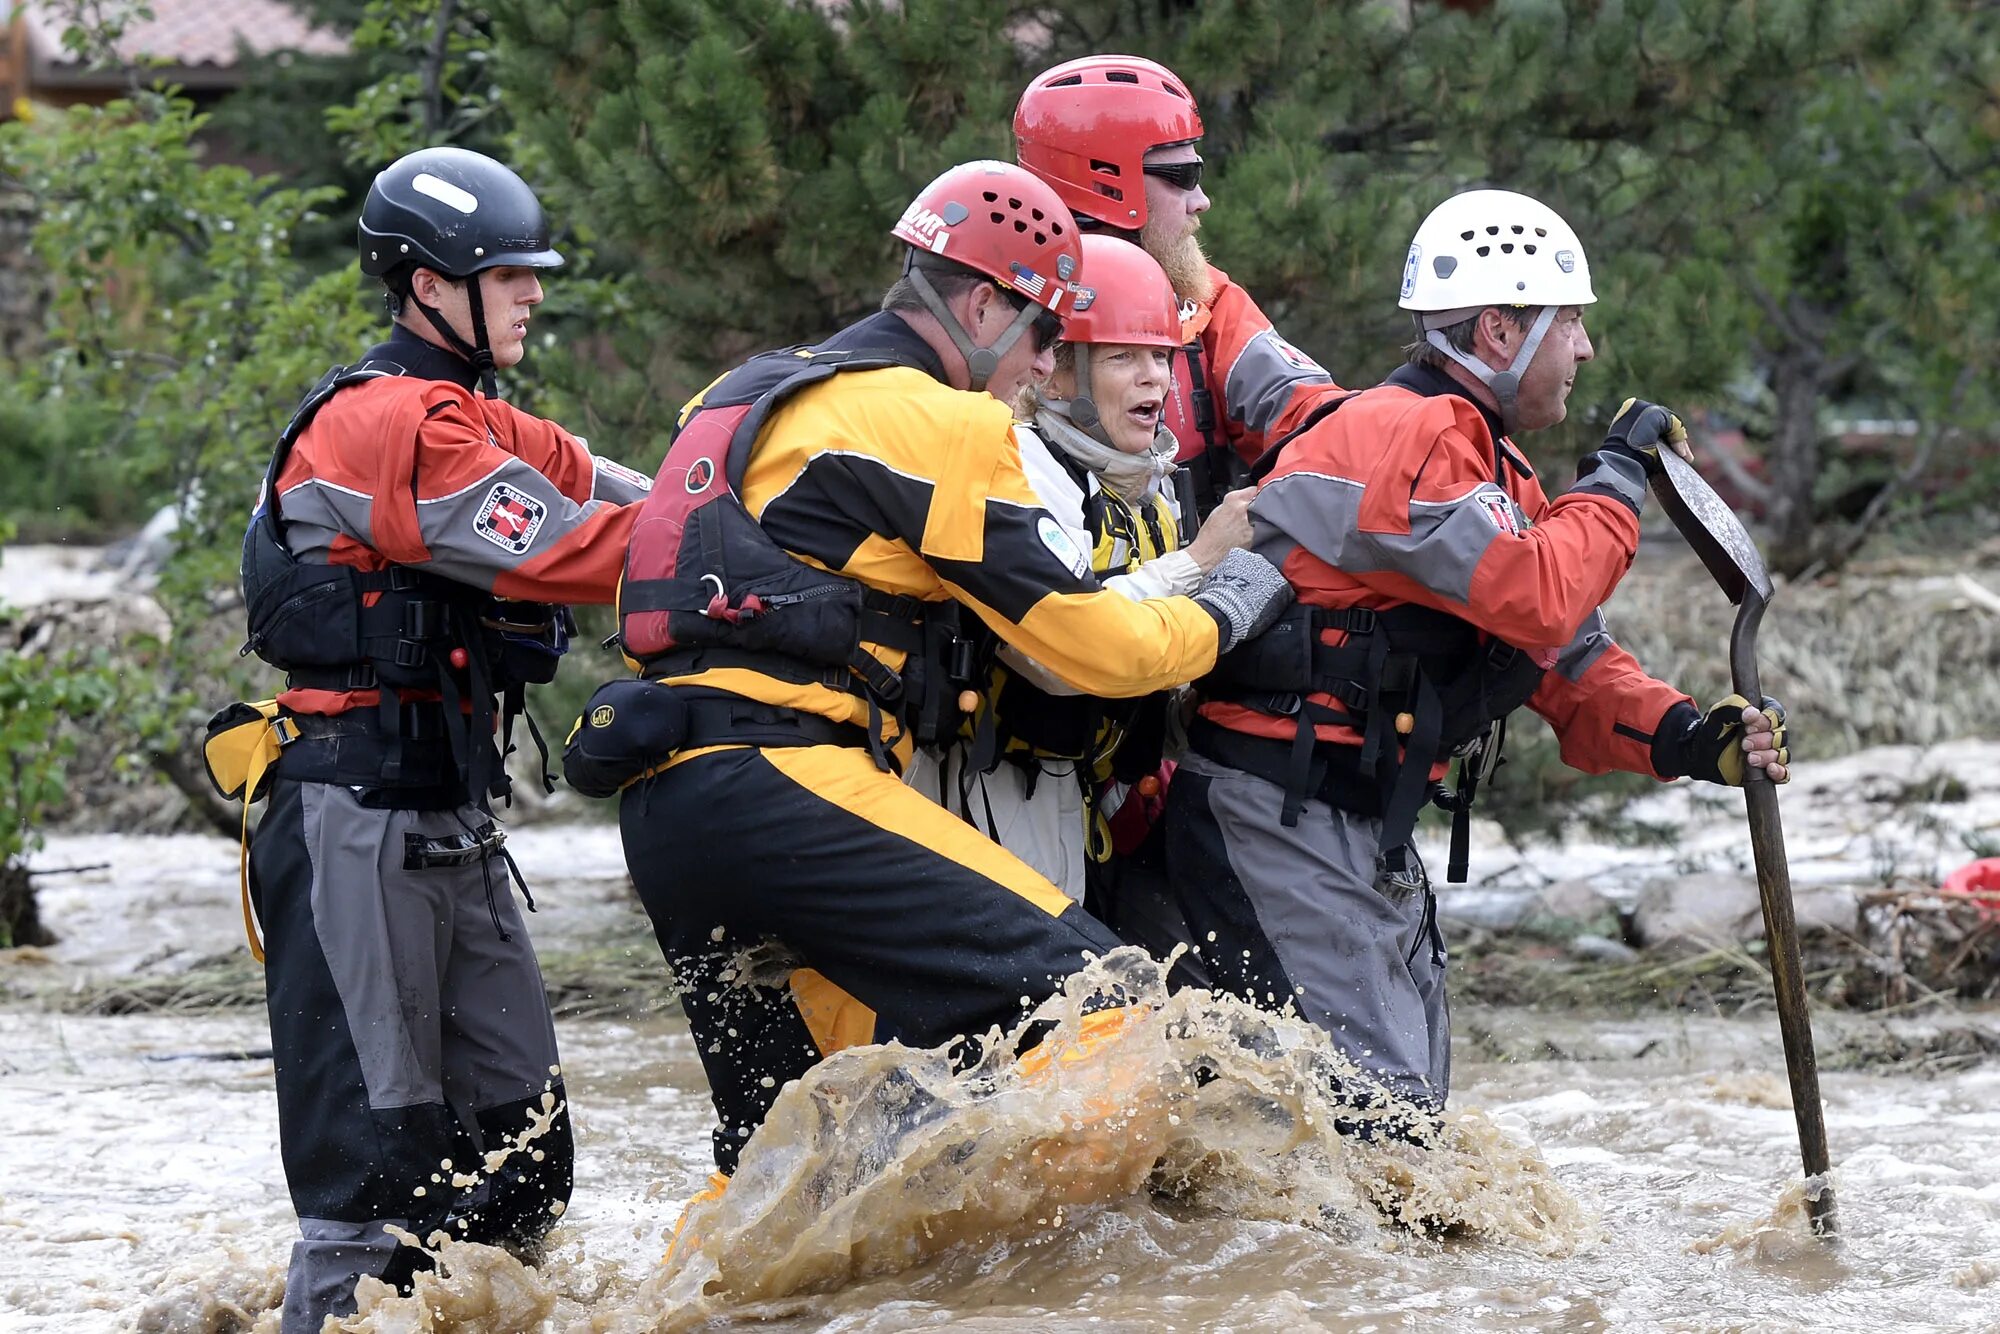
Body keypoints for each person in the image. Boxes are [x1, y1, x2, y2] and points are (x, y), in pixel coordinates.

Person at [608, 160, 1292, 1193]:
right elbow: (1080, 643)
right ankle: (1026, 1278)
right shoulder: (939, 420)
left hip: (665, 808)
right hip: (783, 786)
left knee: (797, 1156)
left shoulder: (745, 390)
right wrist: (1220, 605)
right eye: (1042, 334)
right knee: (1101, 1006)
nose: (1044, 365)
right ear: (979, 303)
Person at [1172, 188, 1791, 1121]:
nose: (1585, 350)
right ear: (1500, 329)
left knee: (1406, 1133)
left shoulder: (1484, 461)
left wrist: (1690, 738)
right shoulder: (1403, 435)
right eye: (1571, 322)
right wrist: (1618, 478)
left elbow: (1568, 658)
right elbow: (1537, 592)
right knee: (1380, 1141)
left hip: (1354, 827)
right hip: (1277, 818)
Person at [234, 146, 650, 1332]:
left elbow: (624, 483)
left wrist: (739, 488)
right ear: (428, 284)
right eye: (508, 273)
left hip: (449, 820)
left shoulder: (479, 415)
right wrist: (721, 546)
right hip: (350, 815)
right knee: (376, 1174)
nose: (532, 292)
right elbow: (575, 546)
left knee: (521, 1154)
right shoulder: (393, 422)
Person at [904, 233, 1255, 906]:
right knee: (1034, 998)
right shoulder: (1024, 465)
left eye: (1162, 355)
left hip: (1091, 789)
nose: (1156, 376)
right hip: (999, 781)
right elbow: (1057, 657)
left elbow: (1153, 660)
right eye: (1125, 357)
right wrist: (1199, 564)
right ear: (1057, 372)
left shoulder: (1150, 489)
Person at [1014, 54, 1346, 516]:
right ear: (1107, 186)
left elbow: (1311, 413)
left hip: (1201, 573)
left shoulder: (1203, 299)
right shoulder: (994, 315)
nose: (1202, 201)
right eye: (1183, 177)